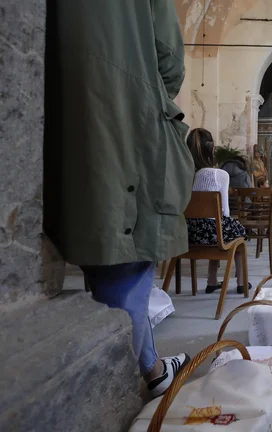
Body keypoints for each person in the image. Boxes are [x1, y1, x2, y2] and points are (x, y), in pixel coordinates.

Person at [44, 0, 193, 397]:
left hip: (61, 112)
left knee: (100, 232)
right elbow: (168, 58)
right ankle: (122, 385)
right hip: (125, 112)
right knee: (126, 245)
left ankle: (152, 367)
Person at [186, 129, 250, 295]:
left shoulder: (183, 173)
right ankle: (241, 282)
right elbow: (225, 211)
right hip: (213, 233)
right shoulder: (218, 174)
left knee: (218, 228)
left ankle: (212, 281)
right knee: (235, 232)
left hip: (186, 233)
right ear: (212, 149)